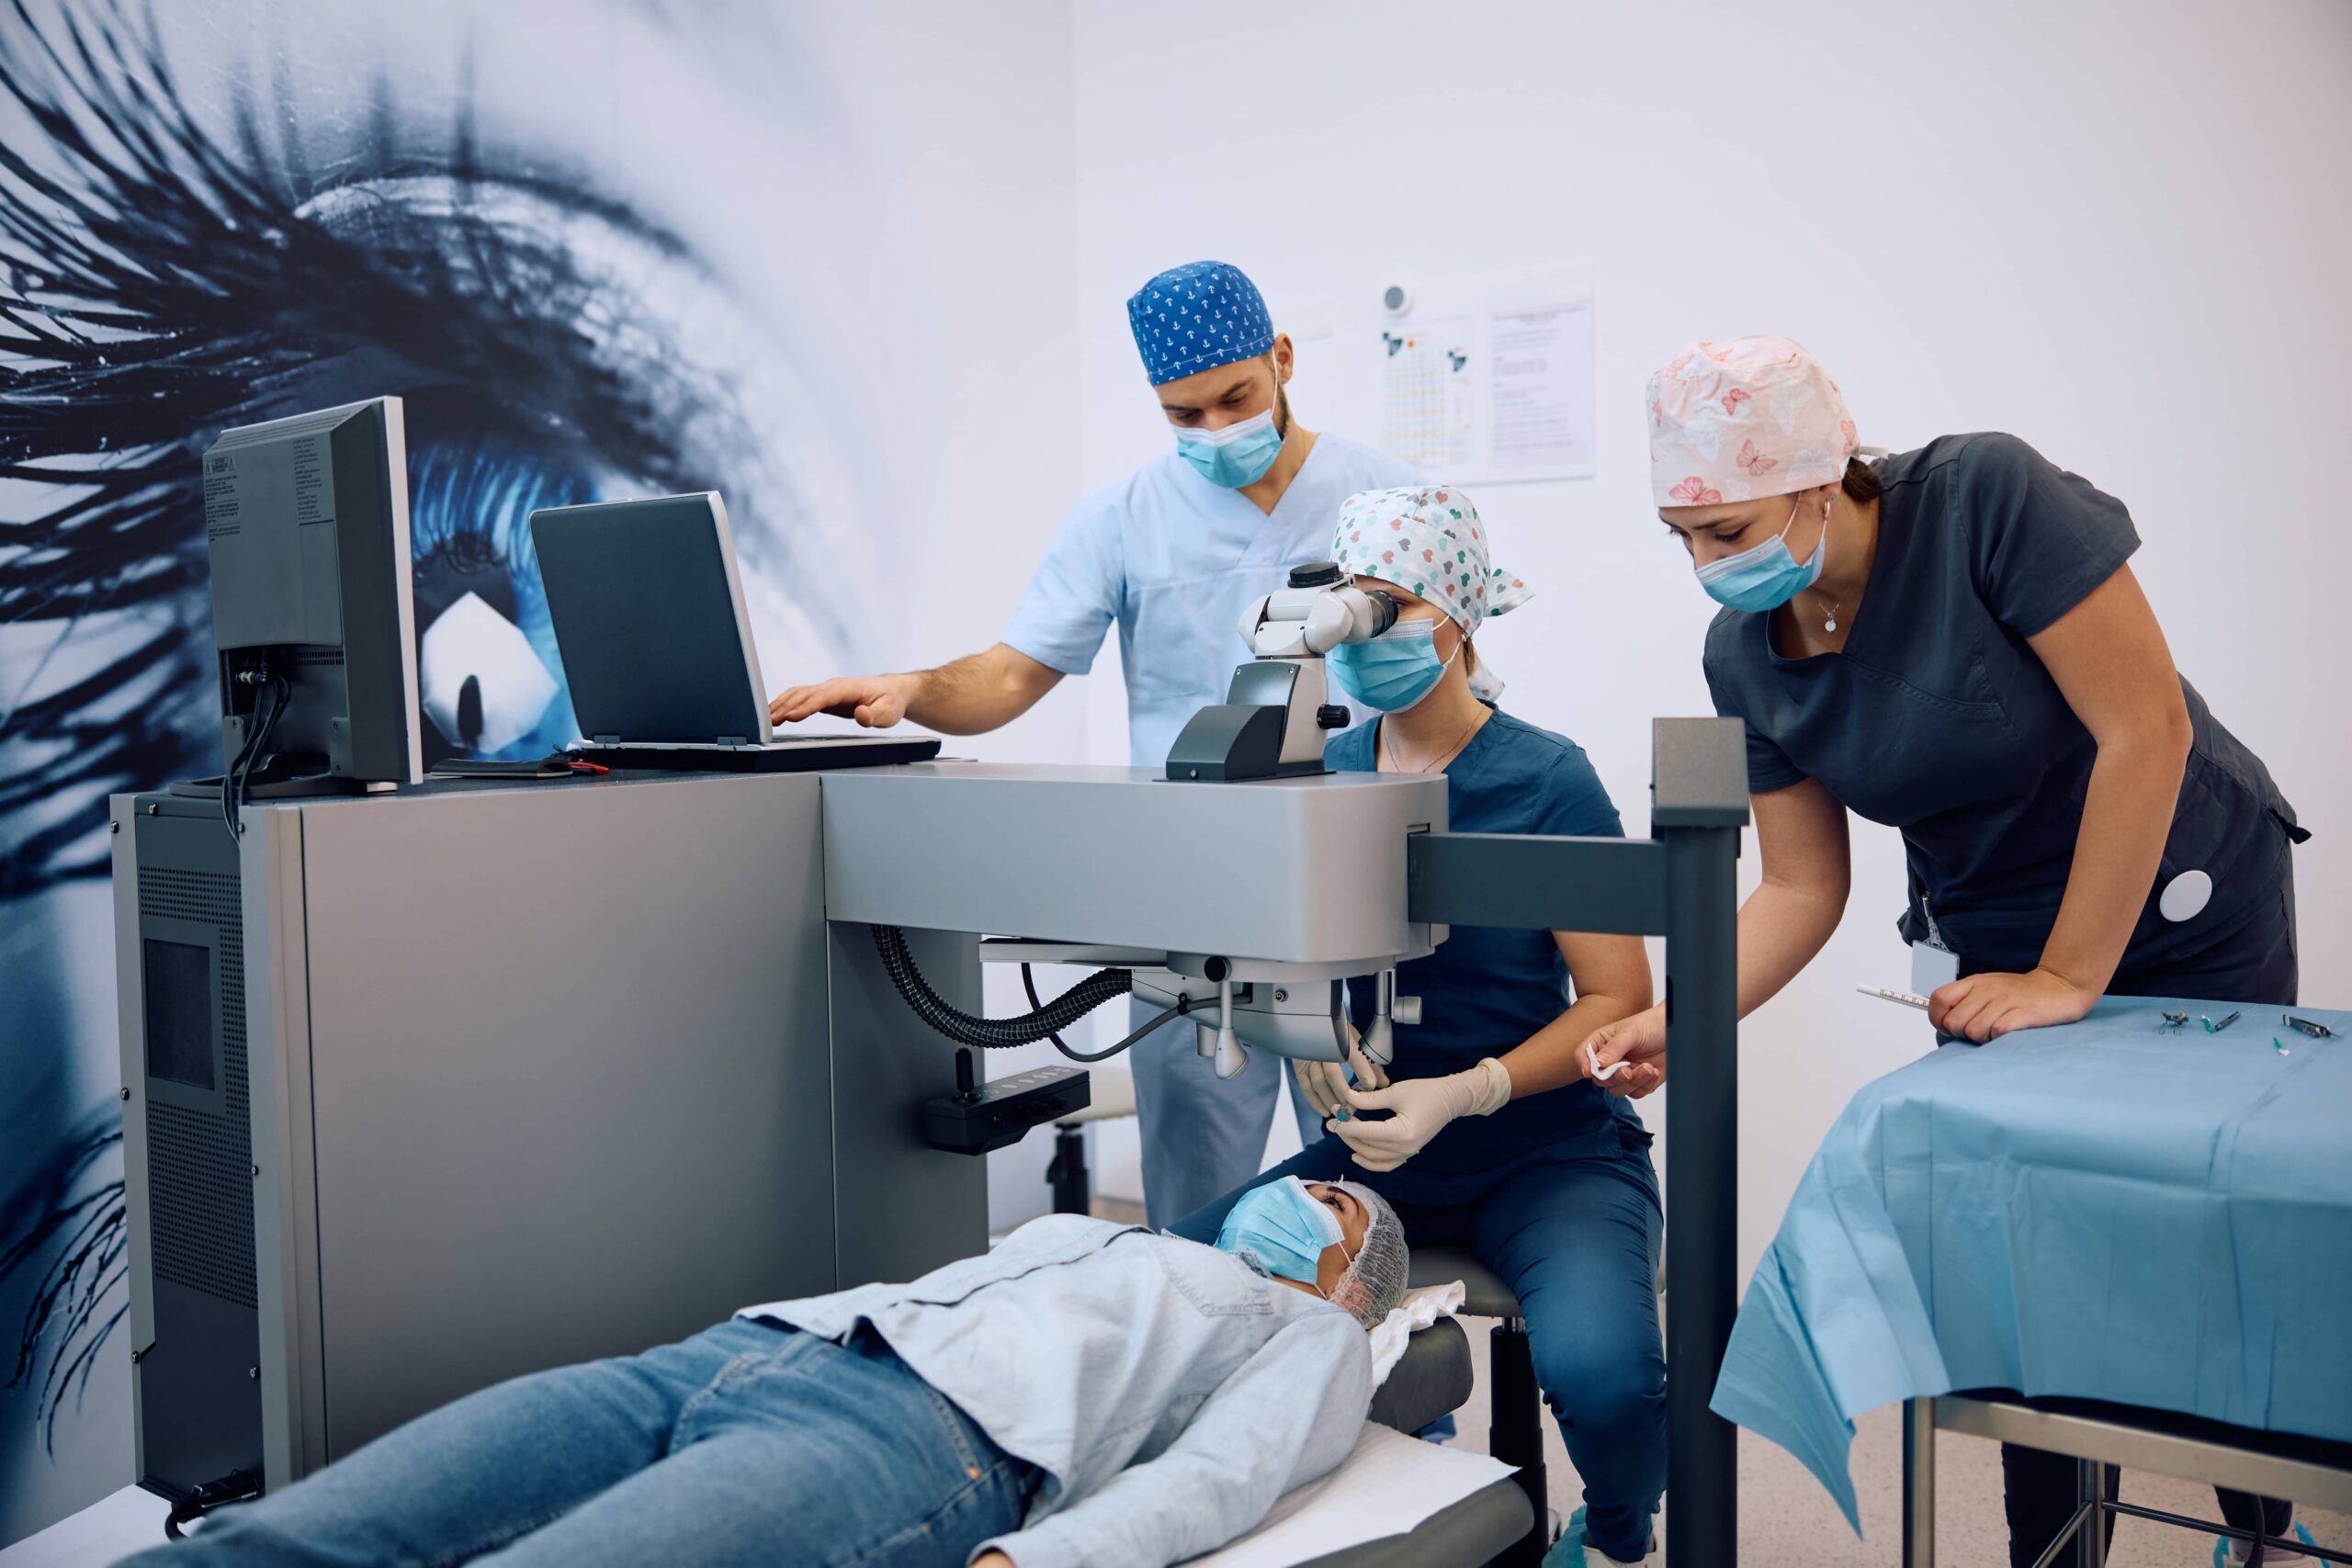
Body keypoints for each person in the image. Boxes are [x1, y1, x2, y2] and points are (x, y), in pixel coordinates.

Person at [1589, 335, 2309, 1568]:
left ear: (1824, 476)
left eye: (1731, 529)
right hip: (1996, 941)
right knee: (2033, 1242)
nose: (1710, 567)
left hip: (2189, 899)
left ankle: (2259, 1521)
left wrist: (2074, 976)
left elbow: (2148, 728)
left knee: (2208, 1223)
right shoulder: (1743, 657)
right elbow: (1805, 884)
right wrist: (1689, 1010)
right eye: (1686, 539)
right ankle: (2051, 1546)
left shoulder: (1986, 497)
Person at [767, 260, 1421, 1227]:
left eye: (1233, 399)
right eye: (1182, 415)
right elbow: (1008, 675)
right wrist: (908, 689)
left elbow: (1447, 667)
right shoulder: (1121, 520)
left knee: (1390, 1173)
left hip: (1364, 878)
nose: (1213, 431)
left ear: (1283, 359)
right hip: (1193, 893)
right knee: (1197, 1208)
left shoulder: (1382, 495)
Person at [1168, 486, 1666, 1568]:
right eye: (1348, 603)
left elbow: (1617, 1001)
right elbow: (1285, 948)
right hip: (1376, 1148)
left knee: (1605, 1377)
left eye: (1386, 608)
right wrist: (1306, 1050)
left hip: (1545, 1152)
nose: (1361, 632)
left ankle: (1617, 1534)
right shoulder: (1325, 769)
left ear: (1455, 618)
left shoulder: (1545, 778)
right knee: (1168, 1274)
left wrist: (1470, 1088)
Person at [124, 1184, 1408, 1568]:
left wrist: (1047, 1564)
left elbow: (1224, 1474)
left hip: (917, 1441)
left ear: (1356, 1275)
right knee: (294, 1533)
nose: (1304, 1193)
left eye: (1338, 1206)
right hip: (737, 1349)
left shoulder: (1314, 1333)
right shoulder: (1122, 1233)